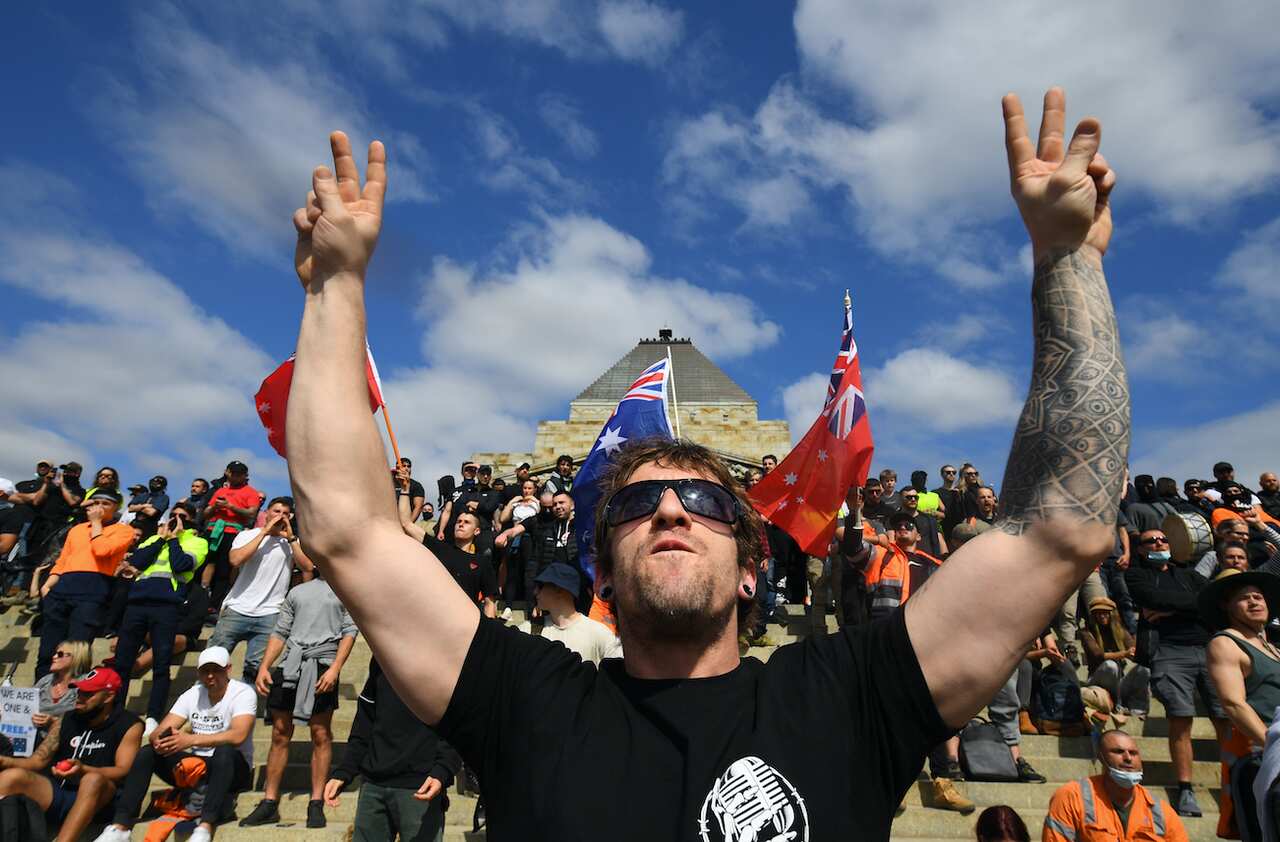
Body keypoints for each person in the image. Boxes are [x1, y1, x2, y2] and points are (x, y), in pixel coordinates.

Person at [286, 87, 1127, 839]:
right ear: (601, 571)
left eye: (705, 499)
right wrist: (336, 286)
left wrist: (1068, 259)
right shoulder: (525, 700)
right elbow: (351, 532)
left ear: (754, 566)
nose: (671, 511)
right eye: (636, 505)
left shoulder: (850, 699)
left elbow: (1059, 530)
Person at [98, 647, 255, 842]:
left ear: (229, 669)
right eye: (205, 671)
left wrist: (190, 740)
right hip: (196, 768)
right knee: (148, 753)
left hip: (232, 768)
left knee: (224, 751)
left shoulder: (243, 693)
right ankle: (120, 826)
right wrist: (163, 739)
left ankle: (205, 826)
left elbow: (238, 735)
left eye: (217, 670)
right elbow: (159, 731)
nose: (211, 676)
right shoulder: (193, 693)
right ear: (199, 672)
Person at [242, 572, 358, 829]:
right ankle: (269, 801)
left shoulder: (346, 589)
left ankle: (315, 801)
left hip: (322, 664)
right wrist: (265, 667)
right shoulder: (298, 592)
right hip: (290, 664)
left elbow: (350, 630)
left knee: (320, 733)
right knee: (280, 733)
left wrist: (335, 668)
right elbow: (280, 630)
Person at [1125, 527, 1227, 816]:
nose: (1158, 543)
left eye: (1163, 538)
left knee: (1224, 716)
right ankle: (1185, 789)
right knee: (1180, 717)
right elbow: (1152, 599)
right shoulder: (1136, 575)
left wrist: (1171, 609)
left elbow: (1211, 603)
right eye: (1151, 541)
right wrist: (1186, 606)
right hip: (1169, 651)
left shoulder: (1188, 574)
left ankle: (1235, 782)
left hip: (1208, 648)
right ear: (1142, 549)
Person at [325, 657, 463, 842]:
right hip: (373, 785)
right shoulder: (381, 658)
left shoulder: (444, 658)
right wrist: (344, 771)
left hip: (421, 786)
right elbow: (364, 724)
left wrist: (442, 770)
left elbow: (459, 722)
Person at [0, 667, 141, 842]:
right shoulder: (67, 718)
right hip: (61, 792)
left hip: (102, 800)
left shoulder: (129, 724)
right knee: (11, 776)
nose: (79, 698)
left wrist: (83, 770)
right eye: (79, 691)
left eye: (88, 694)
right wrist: (4, 761)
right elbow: (37, 761)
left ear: (109, 696)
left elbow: (123, 770)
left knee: (92, 779)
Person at [111, 501, 209, 733]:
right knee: (122, 663)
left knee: (161, 664)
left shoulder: (197, 542)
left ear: (191, 521)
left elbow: (181, 564)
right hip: (136, 604)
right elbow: (137, 562)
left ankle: (154, 715)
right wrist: (162, 538)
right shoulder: (155, 538)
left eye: (182, 516)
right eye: (173, 515)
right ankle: (115, 711)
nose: (176, 519)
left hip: (167, 607)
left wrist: (174, 539)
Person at [1203, 569, 1280, 842]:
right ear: (1226, 605)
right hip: (1260, 757)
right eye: (1244, 598)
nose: (1254, 601)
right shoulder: (1226, 643)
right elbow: (1234, 704)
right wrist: (1274, 749)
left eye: (1258, 596)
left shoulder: (1275, 649)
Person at [208, 497, 314, 684]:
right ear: (266, 513)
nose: (280, 516)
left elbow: (307, 567)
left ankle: (244, 709)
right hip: (237, 608)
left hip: (270, 613)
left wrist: (290, 538)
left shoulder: (291, 543)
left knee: (254, 668)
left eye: (285, 514)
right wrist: (265, 532)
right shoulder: (247, 535)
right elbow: (235, 560)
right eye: (276, 511)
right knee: (213, 661)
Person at [37, 489, 134, 679]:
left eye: (105, 504)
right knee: (48, 646)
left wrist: (97, 522)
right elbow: (63, 559)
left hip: (94, 587)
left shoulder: (124, 530)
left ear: (116, 508)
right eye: (95, 502)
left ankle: (72, 696)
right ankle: (40, 691)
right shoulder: (77, 529)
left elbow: (102, 550)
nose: (98, 507)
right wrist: (48, 584)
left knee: (77, 648)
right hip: (64, 586)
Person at [1043, 729, 1188, 842]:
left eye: (1133, 753)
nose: (1128, 758)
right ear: (1101, 758)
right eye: (1118, 752)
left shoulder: (1161, 812)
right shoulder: (1072, 796)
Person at [201, 460, 264, 611]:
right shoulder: (220, 491)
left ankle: (214, 604)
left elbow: (251, 512)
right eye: (233, 473)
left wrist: (231, 507)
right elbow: (205, 513)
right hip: (213, 529)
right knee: (207, 562)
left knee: (225, 567)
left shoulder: (251, 492)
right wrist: (215, 506)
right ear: (227, 473)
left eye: (239, 474)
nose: (235, 476)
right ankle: (202, 595)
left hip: (233, 532)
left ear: (245, 476)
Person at [529, 562, 622, 664]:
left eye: (541, 586)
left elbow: (619, 670)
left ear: (559, 589)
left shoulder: (597, 633)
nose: (535, 592)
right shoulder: (530, 630)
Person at [1079, 596, 1150, 715]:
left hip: (1119, 681)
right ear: (1093, 616)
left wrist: (1135, 653)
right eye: (1098, 613)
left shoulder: (1120, 630)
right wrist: (1124, 654)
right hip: (1098, 682)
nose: (1102, 616)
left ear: (1112, 614)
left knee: (1144, 669)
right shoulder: (1086, 632)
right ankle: (1116, 704)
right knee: (1110, 666)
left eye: (1105, 613)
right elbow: (1098, 655)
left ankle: (1137, 708)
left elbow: (1133, 649)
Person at [30, 640, 94, 743]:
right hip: (37, 741)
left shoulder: (85, 684)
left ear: (76, 658)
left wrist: (53, 721)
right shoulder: (45, 681)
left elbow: (88, 720)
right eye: (55, 653)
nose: (54, 657)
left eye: (60, 654)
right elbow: (26, 705)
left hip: (70, 741)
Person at [901, 486, 948, 557]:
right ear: (901, 500)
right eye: (909, 497)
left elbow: (939, 538)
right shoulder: (895, 520)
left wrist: (945, 557)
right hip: (905, 561)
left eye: (916, 497)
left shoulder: (929, 519)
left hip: (928, 562)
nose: (913, 499)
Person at [396, 458, 428, 522]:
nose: (406, 468)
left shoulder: (416, 486)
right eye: (404, 466)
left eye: (409, 466)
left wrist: (408, 525)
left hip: (404, 522)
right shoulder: (388, 482)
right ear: (397, 467)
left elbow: (418, 507)